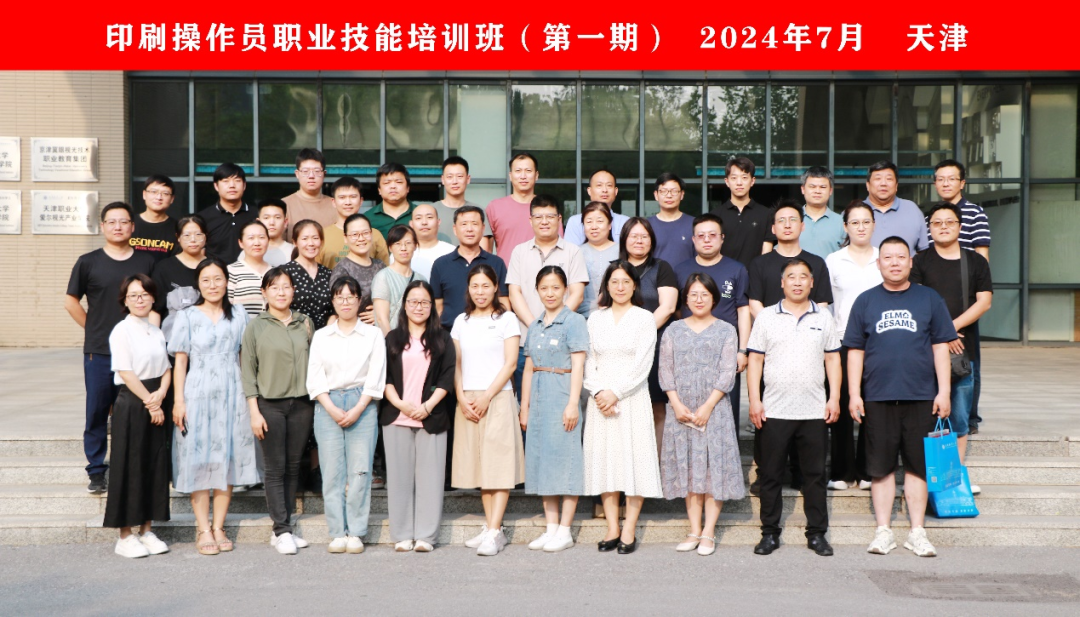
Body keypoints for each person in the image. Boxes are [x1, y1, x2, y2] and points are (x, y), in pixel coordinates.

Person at [844, 236, 957, 558]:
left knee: (918, 467)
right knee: (880, 468)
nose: (894, 262)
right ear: (879, 263)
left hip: (922, 396)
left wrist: (944, 391)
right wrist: (854, 393)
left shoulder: (929, 298)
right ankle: (883, 531)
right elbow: (855, 350)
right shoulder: (865, 301)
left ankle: (917, 532)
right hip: (877, 397)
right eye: (888, 257)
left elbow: (940, 347)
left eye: (900, 257)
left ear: (910, 262)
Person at [746, 258, 842, 557]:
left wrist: (834, 398)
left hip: (814, 410)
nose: (797, 282)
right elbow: (755, 360)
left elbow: (832, 359)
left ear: (812, 283)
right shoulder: (766, 316)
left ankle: (817, 534)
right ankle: (769, 533)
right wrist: (755, 400)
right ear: (782, 282)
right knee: (770, 475)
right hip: (774, 410)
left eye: (803, 277)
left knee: (814, 476)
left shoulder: (823, 316)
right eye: (791, 276)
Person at [169, 258, 258, 556]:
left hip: (233, 392)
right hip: (197, 393)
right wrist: (179, 401)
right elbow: (180, 361)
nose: (212, 285)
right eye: (206, 280)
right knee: (199, 458)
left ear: (226, 281)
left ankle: (219, 526)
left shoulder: (240, 314)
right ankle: (202, 528)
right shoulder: (187, 316)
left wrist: (251, 398)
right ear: (198, 284)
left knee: (226, 458)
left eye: (218, 278)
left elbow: (246, 357)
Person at [65, 201, 156, 494]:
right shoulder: (88, 261)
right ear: (102, 226)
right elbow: (70, 301)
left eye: (124, 221)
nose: (118, 227)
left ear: (133, 226)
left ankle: (129, 466)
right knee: (97, 410)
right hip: (100, 351)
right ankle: (96, 470)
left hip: (138, 352)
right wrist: (93, 328)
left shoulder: (147, 262)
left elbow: (155, 303)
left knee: (132, 410)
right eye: (112, 222)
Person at [746, 201, 833, 493]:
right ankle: (766, 473)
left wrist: (802, 332)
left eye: (792, 219)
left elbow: (822, 303)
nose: (786, 225)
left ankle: (801, 474)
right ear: (773, 228)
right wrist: (776, 328)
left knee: (807, 415)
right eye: (780, 220)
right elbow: (754, 302)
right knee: (766, 414)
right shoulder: (760, 263)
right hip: (771, 346)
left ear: (802, 226)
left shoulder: (816, 263)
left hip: (809, 347)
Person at [658, 274, 745, 557]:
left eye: (704, 294)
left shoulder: (726, 330)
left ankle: (709, 531)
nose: (698, 299)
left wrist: (708, 406)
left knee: (711, 469)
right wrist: (675, 403)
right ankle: (694, 529)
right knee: (689, 468)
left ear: (714, 298)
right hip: (681, 409)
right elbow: (665, 369)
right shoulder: (673, 330)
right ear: (685, 298)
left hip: (714, 409)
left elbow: (727, 372)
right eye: (693, 294)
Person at [583, 261, 663, 555]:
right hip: (600, 401)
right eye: (614, 281)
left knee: (635, 460)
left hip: (631, 398)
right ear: (606, 285)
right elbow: (588, 359)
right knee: (605, 460)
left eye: (626, 282)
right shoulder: (595, 319)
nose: (620, 287)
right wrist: (598, 392)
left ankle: (629, 527)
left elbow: (643, 363)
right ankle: (612, 527)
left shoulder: (644, 318)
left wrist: (615, 392)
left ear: (634, 286)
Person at [911, 202, 993, 486]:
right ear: (929, 228)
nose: (943, 226)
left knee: (958, 416)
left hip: (961, 351)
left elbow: (984, 302)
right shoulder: (919, 261)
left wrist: (951, 329)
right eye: (937, 222)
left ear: (960, 226)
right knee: (925, 415)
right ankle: (925, 475)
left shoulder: (976, 262)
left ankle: (953, 478)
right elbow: (915, 301)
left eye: (949, 222)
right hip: (925, 350)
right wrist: (942, 334)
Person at [307, 276, 387, 555]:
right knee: (332, 473)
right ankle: (337, 532)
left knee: (360, 471)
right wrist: (331, 407)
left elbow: (376, 376)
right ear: (333, 301)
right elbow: (314, 377)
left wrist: (358, 408)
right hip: (327, 402)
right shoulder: (322, 336)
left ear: (359, 300)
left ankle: (356, 531)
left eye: (350, 297)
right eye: (339, 297)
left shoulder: (373, 335)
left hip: (362, 402)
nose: (345, 302)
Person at [240, 267, 315, 555]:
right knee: (274, 468)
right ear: (264, 292)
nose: (281, 292)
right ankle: (282, 530)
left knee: (293, 467)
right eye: (274, 287)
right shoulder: (256, 327)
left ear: (293, 290)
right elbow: (248, 372)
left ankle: (282, 528)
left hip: (302, 404)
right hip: (269, 404)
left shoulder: (304, 323)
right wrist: (254, 411)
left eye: (286, 286)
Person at [451, 264, 524, 556]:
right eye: (475, 286)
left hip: (498, 397)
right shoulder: (461, 321)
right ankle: (491, 527)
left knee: (499, 464)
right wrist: (460, 396)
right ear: (468, 289)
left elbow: (510, 364)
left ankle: (495, 531)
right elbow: (456, 364)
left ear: (495, 287)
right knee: (480, 464)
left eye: (485, 286)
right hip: (468, 400)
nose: (480, 292)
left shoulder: (507, 319)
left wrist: (486, 397)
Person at [381, 281, 455, 552]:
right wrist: (401, 404)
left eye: (424, 302)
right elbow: (385, 377)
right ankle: (402, 534)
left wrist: (427, 406)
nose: (419, 307)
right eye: (413, 301)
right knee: (399, 480)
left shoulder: (442, 338)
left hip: (431, 417)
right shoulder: (392, 338)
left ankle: (426, 535)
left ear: (432, 306)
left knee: (430, 479)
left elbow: (447, 376)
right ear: (404, 305)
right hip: (396, 417)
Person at [518, 266, 589, 553]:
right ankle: (550, 528)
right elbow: (528, 368)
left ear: (565, 290)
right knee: (542, 461)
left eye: (556, 287)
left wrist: (573, 403)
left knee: (566, 460)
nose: (550, 293)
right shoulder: (534, 325)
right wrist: (524, 407)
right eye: (544, 288)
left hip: (562, 392)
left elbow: (579, 364)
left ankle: (565, 530)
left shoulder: (574, 321)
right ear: (537, 290)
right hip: (538, 395)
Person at [104, 274, 173, 558]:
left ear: (153, 297)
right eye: (133, 295)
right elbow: (126, 372)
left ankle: (147, 530)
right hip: (133, 402)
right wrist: (151, 403)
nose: (140, 299)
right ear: (125, 300)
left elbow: (166, 368)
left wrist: (162, 394)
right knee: (128, 465)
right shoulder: (122, 330)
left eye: (144, 294)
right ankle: (125, 535)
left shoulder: (155, 331)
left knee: (154, 465)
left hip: (156, 397)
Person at [824, 202, 883, 491]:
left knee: (873, 406)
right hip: (842, 340)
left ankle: (868, 471)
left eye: (866, 222)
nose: (861, 227)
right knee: (843, 406)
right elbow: (826, 303)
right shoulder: (833, 260)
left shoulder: (884, 257)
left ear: (874, 225)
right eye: (855, 222)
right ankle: (841, 472)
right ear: (845, 227)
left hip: (880, 343)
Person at [931, 159, 992, 434]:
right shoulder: (931, 214)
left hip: (966, 295)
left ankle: (970, 417)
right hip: (938, 292)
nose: (946, 183)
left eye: (951, 178)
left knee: (969, 360)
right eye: (941, 179)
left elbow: (982, 256)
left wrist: (977, 292)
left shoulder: (975, 213)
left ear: (962, 183)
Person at [672, 214, 751, 427]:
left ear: (722, 238)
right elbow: (677, 310)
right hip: (688, 352)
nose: (707, 239)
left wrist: (742, 350)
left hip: (725, 351)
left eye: (712, 235)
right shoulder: (680, 270)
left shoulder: (737, 269)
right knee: (689, 412)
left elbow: (743, 310)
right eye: (701, 235)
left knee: (726, 412)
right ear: (693, 239)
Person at [507, 195, 588, 397]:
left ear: (559, 219)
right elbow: (514, 294)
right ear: (530, 220)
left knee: (560, 398)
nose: (544, 221)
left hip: (563, 340)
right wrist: (537, 327)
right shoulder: (519, 252)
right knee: (526, 400)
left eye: (550, 216)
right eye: (539, 217)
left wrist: (554, 327)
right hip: (526, 340)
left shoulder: (573, 251)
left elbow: (577, 294)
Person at [618, 217, 679, 451]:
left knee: (656, 405)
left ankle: (656, 465)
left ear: (652, 240)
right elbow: (605, 304)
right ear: (624, 239)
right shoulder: (615, 268)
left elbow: (668, 307)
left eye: (644, 236)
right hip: (620, 348)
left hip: (655, 346)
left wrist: (639, 334)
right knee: (623, 404)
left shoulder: (662, 268)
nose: (639, 240)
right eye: (634, 236)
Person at [430, 205, 509, 330]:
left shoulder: (496, 263)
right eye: (464, 224)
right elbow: (437, 307)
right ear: (455, 229)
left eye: (474, 224)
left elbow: (503, 302)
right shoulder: (441, 264)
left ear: (483, 228)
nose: (469, 229)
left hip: (488, 333)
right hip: (449, 334)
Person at [488, 152, 553, 266]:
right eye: (518, 171)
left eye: (528, 171)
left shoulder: (548, 208)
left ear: (536, 175)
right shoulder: (494, 207)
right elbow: (487, 252)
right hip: (505, 274)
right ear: (510, 175)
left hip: (542, 274)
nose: (523, 176)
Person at [711, 157, 775, 268]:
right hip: (723, 275)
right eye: (734, 178)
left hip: (755, 275)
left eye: (744, 177)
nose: (739, 183)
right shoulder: (714, 216)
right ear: (727, 181)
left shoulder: (766, 214)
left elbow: (766, 254)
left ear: (752, 181)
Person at [318, 176, 390, 268]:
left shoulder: (375, 235)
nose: (348, 202)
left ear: (361, 201)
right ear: (334, 202)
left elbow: (385, 271)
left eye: (353, 197)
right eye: (342, 197)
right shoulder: (322, 235)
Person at [151, 215, 207, 335]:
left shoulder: (215, 266)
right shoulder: (164, 268)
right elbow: (155, 309)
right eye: (187, 235)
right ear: (178, 237)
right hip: (174, 338)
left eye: (198, 234)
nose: (193, 239)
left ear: (205, 236)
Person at [330, 213, 387, 328]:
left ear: (371, 234)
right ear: (345, 238)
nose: (361, 239)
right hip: (356, 331)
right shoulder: (342, 270)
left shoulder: (380, 266)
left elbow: (395, 298)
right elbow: (340, 307)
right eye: (355, 235)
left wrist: (380, 313)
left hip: (384, 329)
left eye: (365, 233)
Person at [864, 160, 930, 254]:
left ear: (896, 185)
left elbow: (924, 251)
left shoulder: (912, 210)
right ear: (868, 185)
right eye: (878, 179)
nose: (883, 183)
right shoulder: (854, 212)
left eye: (889, 179)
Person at [373, 224, 428, 335]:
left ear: (415, 245)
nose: (403, 248)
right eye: (397, 244)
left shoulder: (421, 279)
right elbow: (381, 319)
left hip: (417, 340)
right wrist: (391, 342)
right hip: (392, 340)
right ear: (390, 247)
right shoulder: (383, 277)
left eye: (408, 243)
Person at [197, 163, 257, 263]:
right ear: (216, 186)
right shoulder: (203, 218)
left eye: (237, 181)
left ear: (244, 185)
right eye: (226, 181)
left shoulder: (257, 216)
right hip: (215, 271)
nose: (232, 185)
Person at [281, 220, 334, 330]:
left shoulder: (328, 274)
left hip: (324, 335)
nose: (311, 243)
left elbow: (334, 309)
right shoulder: (284, 272)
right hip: (293, 333)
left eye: (315, 238)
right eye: (305, 239)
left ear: (321, 241)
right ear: (295, 242)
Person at [430, 156, 492, 250]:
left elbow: (484, 250)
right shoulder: (431, 211)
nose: (455, 181)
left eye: (459, 176)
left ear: (468, 179)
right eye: (450, 177)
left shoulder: (477, 211)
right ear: (443, 179)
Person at [564, 169, 631, 244]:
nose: (604, 190)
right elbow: (571, 250)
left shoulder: (626, 222)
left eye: (609, 185)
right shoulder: (575, 222)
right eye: (599, 185)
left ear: (616, 191)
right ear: (589, 191)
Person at [578, 202, 620, 319]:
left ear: (610, 225)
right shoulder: (575, 252)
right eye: (589, 222)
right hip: (583, 317)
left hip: (616, 317)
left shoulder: (622, 251)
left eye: (600, 221)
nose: (594, 226)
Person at [282, 148, 337, 238]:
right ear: (297, 174)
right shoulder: (284, 205)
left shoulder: (336, 205)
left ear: (324, 174)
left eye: (316, 171)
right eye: (305, 171)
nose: (311, 176)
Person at [647, 172, 696, 268]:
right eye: (664, 191)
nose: (669, 195)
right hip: (655, 277)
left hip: (687, 277)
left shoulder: (694, 224)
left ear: (682, 194)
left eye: (674, 191)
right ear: (656, 195)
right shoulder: (647, 225)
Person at [227, 220, 272, 318]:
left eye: (261, 237)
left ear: (268, 240)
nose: (257, 243)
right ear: (241, 243)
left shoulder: (275, 272)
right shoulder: (231, 271)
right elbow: (226, 307)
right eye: (251, 238)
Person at [799, 167, 845, 260]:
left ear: (830, 191)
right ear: (803, 189)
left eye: (823, 187)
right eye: (812, 187)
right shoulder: (791, 220)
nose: (817, 191)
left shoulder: (842, 223)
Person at [130, 175, 179, 264]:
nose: (159, 197)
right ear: (144, 194)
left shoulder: (178, 228)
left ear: (172, 199)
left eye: (165, 193)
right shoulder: (129, 224)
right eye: (154, 192)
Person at [366, 162, 418, 239]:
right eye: (387, 182)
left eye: (398, 182)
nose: (393, 186)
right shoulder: (367, 218)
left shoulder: (421, 215)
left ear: (408, 188)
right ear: (379, 190)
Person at [238, 199, 293, 267]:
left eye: (277, 217)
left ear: (285, 222)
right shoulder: (248, 252)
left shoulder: (293, 251)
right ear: (259, 222)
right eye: (266, 218)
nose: (272, 222)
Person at [409, 203, 456, 280]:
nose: (424, 222)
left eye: (429, 217)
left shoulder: (452, 252)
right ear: (411, 224)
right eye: (418, 218)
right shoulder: (402, 253)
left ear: (438, 222)